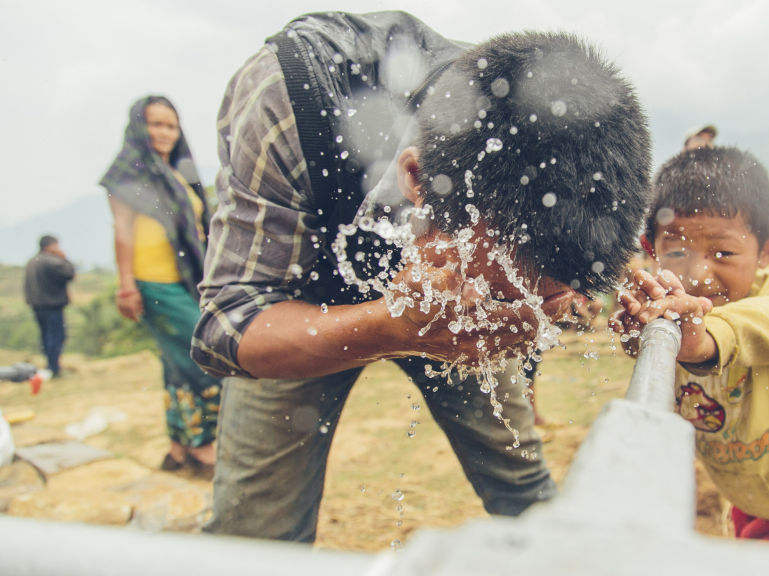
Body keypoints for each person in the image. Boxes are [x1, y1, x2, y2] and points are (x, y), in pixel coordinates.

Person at [191, 11, 652, 543]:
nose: (497, 310)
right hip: (296, 303)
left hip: (442, 291)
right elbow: (227, 324)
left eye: (528, 298)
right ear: (416, 178)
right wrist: (393, 326)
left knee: (523, 488)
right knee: (253, 538)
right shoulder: (291, 101)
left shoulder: (533, 137)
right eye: (501, 292)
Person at [611, 146, 769, 549]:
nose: (698, 273)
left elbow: (764, 326)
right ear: (650, 247)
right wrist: (639, 336)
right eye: (677, 252)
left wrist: (699, 338)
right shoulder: (672, 310)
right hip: (748, 500)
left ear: (768, 249)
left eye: (724, 253)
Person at [99, 95, 221, 479]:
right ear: (139, 127)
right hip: (153, 284)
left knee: (176, 367)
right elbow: (122, 232)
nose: (165, 133)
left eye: (171, 125)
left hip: (188, 282)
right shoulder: (128, 175)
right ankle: (204, 449)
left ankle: (178, 449)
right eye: (156, 124)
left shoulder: (178, 176)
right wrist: (125, 286)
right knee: (203, 359)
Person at [23, 234, 75, 378]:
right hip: (51, 306)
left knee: (46, 336)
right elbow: (70, 273)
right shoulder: (51, 261)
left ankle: (50, 366)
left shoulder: (32, 261)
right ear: (50, 246)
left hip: (36, 305)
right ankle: (53, 368)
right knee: (56, 336)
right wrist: (64, 258)